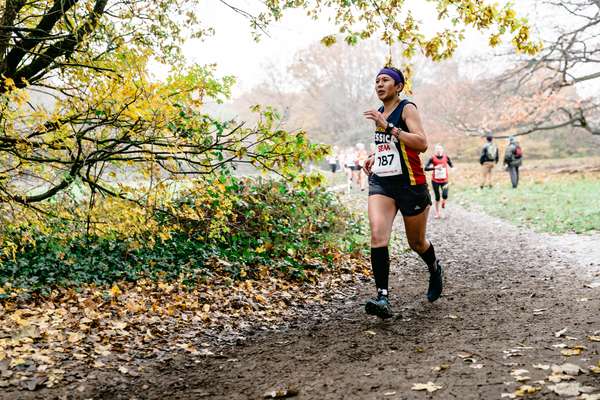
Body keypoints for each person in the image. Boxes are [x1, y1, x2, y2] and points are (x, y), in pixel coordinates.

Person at [362, 66, 443, 319]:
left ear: (398, 86)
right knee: (377, 235)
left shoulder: (407, 108)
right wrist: (375, 156)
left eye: (385, 80)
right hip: (383, 183)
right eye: (376, 81)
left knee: (416, 243)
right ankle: (382, 297)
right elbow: (391, 147)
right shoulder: (380, 114)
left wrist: (390, 128)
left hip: (411, 184)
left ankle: (434, 268)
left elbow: (421, 143)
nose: (379, 84)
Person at [425, 144, 454, 219]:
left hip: (445, 180)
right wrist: (435, 168)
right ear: (435, 151)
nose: (439, 151)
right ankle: (438, 213)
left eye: (440, 149)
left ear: (442, 150)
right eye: (437, 149)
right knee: (437, 197)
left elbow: (451, 165)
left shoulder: (446, 157)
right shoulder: (432, 158)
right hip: (435, 181)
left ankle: (443, 204)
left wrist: (453, 168)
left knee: (445, 195)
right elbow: (426, 168)